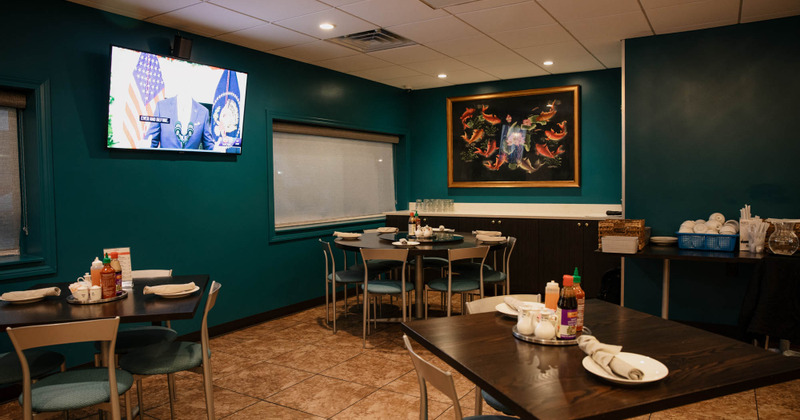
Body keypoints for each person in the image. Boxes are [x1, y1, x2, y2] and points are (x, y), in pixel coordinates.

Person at [145, 93, 215, 150]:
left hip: (191, 162)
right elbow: (152, 141)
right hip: (165, 162)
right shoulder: (162, 106)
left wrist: (218, 150)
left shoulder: (203, 112)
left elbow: (208, 145)